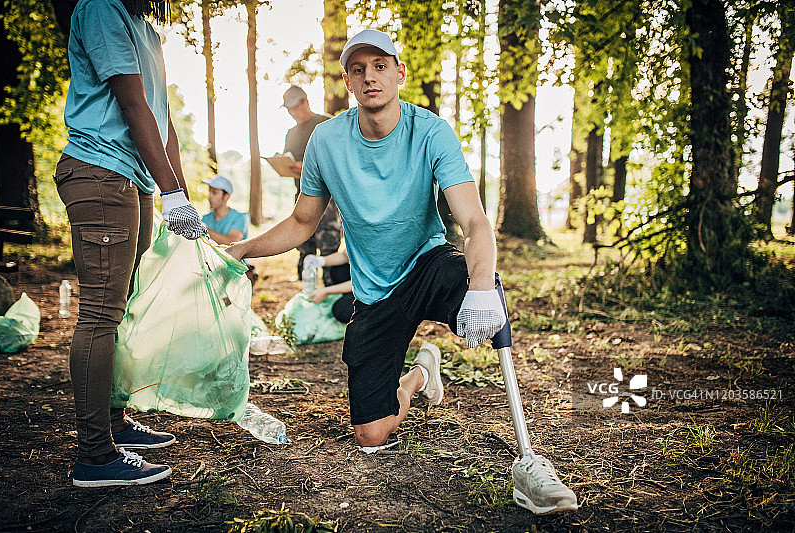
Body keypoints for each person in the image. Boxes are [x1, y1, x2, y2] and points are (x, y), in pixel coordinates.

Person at [229, 29, 576, 512]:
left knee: (488, 291)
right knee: (371, 436)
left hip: (428, 263)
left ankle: (530, 462)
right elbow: (302, 222)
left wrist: (478, 288)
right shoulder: (327, 141)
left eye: (380, 65)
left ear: (399, 73)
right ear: (348, 82)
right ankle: (418, 375)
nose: (370, 76)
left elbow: (474, 221)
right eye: (358, 69)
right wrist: (241, 249)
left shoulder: (431, 131)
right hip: (375, 293)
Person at [55, 0, 206, 487]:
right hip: (100, 172)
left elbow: (163, 124)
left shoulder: (147, 29)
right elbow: (131, 103)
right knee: (100, 311)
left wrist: (179, 194)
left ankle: (116, 423)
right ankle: (95, 456)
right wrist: (171, 192)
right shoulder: (102, 8)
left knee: (122, 308)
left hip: (134, 179)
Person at [281, 86, 343, 283]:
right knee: (303, 244)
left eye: (295, 108)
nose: (292, 113)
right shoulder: (291, 133)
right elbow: (288, 159)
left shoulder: (326, 123)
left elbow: (339, 158)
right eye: (289, 109)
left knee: (328, 245)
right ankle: (306, 293)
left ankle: (330, 291)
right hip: (301, 195)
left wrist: (308, 167)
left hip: (327, 198)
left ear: (305, 102)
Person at [303, 250, 353, 324]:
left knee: (341, 310)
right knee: (339, 269)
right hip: (359, 284)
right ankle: (348, 296)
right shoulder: (359, 240)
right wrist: (319, 261)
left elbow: (363, 283)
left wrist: (325, 291)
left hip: (372, 292)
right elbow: (345, 255)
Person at [201, 175, 249, 244]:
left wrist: (203, 229)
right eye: (209, 191)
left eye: (214, 193)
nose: (209, 197)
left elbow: (232, 242)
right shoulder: (206, 218)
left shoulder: (240, 217)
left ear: (226, 196)